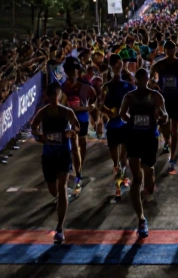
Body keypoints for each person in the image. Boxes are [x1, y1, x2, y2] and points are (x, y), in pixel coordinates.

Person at [30, 83, 81, 245]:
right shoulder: (43, 113)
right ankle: (60, 201)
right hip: (48, 155)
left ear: (59, 96)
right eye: (51, 97)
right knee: (53, 191)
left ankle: (60, 228)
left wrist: (72, 132)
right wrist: (40, 136)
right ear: (47, 97)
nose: (54, 100)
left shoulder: (67, 112)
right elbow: (33, 127)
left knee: (62, 187)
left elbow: (77, 126)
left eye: (56, 97)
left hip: (63, 153)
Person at [120, 68, 168, 238]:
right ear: (136, 80)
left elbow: (164, 115)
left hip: (149, 139)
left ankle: (148, 187)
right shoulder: (129, 96)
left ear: (147, 79)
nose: (142, 81)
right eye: (139, 79)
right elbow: (121, 114)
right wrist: (132, 122)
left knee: (148, 173)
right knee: (136, 178)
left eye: (144, 79)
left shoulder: (155, 96)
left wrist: (161, 119)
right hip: (134, 138)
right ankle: (141, 219)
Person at [151, 40, 178, 174]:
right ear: (165, 50)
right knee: (164, 126)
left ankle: (172, 158)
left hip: (176, 98)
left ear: (175, 49)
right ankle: (167, 142)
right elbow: (150, 78)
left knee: (175, 129)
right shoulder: (159, 64)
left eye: (172, 48)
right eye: (167, 48)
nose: (170, 51)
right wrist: (154, 85)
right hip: (163, 99)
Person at [99, 55, 134, 199]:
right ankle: (119, 183)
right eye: (114, 65)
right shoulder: (105, 87)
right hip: (113, 125)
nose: (116, 68)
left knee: (123, 157)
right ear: (111, 68)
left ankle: (121, 181)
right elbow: (100, 105)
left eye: (119, 65)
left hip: (125, 124)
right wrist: (108, 113)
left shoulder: (128, 85)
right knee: (115, 161)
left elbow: (135, 100)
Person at [61, 62, 97, 192]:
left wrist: (90, 109)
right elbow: (60, 104)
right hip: (69, 120)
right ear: (65, 72)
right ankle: (78, 173)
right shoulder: (63, 88)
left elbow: (94, 98)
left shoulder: (85, 87)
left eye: (74, 70)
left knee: (82, 144)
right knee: (75, 147)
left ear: (77, 72)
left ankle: (79, 167)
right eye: (69, 71)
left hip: (82, 117)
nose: (72, 73)